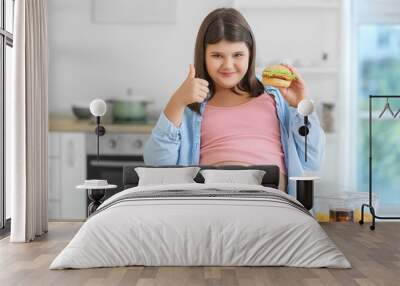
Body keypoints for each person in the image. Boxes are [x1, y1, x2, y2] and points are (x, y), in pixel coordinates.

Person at [143, 8, 325, 196]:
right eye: (217, 55)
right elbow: (158, 167)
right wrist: (177, 101)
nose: (228, 65)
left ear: (250, 54)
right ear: (203, 56)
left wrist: (301, 105)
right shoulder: (190, 104)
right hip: (212, 201)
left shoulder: (274, 96)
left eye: (238, 55)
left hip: (273, 201)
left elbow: (311, 158)